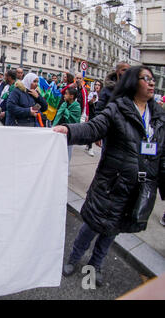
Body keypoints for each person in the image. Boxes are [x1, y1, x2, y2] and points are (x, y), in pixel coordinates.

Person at [53, 65, 165, 287]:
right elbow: (93, 128)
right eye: (146, 79)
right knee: (92, 226)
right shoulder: (117, 110)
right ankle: (74, 258)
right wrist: (70, 130)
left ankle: (95, 266)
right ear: (133, 83)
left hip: (137, 191)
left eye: (153, 79)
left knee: (112, 231)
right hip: (110, 186)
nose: (152, 83)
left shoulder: (159, 118)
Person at [52, 87, 81, 174]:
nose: (64, 95)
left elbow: (75, 120)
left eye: (66, 94)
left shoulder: (77, 106)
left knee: (67, 152)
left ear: (71, 96)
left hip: (69, 133)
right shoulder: (64, 104)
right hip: (59, 130)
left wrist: (66, 112)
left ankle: (65, 171)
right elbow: (58, 115)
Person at [85, 80, 103, 157]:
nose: (97, 86)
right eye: (96, 85)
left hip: (99, 115)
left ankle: (88, 143)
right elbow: (88, 104)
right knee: (92, 130)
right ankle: (90, 147)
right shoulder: (92, 94)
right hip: (92, 114)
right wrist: (92, 101)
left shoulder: (102, 95)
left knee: (96, 131)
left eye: (98, 85)